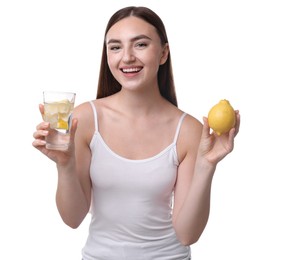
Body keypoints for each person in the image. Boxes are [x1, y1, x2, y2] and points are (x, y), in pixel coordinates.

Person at [32, 6, 240, 260]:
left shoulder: (188, 130)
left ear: (163, 53)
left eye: (140, 45)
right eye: (115, 47)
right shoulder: (86, 119)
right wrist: (65, 164)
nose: (127, 57)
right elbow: (72, 218)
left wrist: (207, 165)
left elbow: (187, 234)